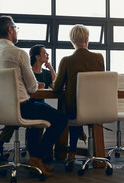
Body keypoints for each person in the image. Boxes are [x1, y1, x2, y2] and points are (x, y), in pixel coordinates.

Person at [0, 15, 68, 177]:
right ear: (10, 30)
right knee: (60, 119)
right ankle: (36, 158)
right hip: (20, 107)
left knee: (38, 117)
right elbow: (32, 86)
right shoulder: (18, 53)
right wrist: (34, 85)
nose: (16, 31)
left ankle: (37, 160)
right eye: (15, 28)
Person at [52, 24, 104, 169]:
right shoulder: (99, 58)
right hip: (98, 108)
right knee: (82, 110)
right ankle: (95, 154)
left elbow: (56, 88)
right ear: (87, 39)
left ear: (72, 41)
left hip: (75, 110)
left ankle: (72, 153)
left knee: (73, 110)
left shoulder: (67, 60)